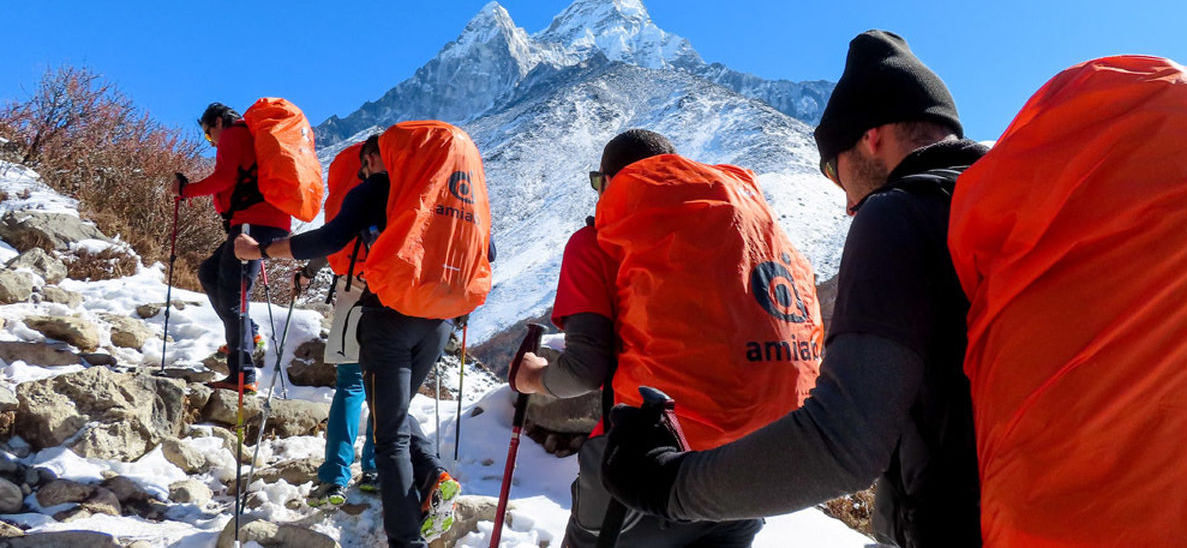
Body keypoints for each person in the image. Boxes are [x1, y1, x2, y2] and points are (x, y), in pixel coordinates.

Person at [599, 31, 988, 547]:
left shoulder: (901, 213)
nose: (846, 199)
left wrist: (666, 482)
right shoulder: (1006, 197)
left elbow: (843, 444)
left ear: (871, 138)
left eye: (833, 168)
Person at [515, 128, 822, 548]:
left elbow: (585, 371)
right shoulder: (741, 234)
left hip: (644, 467)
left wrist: (531, 378)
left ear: (608, 183)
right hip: (754, 465)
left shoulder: (596, 243)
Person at [235, 130, 491, 546]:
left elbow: (329, 238)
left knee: (388, 435)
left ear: (380, 156)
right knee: (394, 410)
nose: (364, 169)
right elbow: (488, 251)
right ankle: (432, 474)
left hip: (388, 315)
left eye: (367, 161)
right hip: (439, 320)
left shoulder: (379, 187)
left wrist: (259, 252)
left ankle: (407, 539)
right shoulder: (452, 194)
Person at [174, 102, 289, 393]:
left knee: (233, 295)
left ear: (217, 122)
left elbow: (223, 179)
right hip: (258, 222)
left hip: (253, 223)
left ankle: (243, 374)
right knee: (210, 272)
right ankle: (248, 334)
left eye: (208, 134)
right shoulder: (245, 136)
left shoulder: (234, 134)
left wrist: (186, 190)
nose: (211, 141)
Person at [294, 257, 378, 507]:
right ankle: (376, 470)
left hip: (354, 298)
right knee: (383, 391)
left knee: (350, 388)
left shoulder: (356, 215)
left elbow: (331, 238)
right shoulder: (413, 215)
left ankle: (334, 477)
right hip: (395, 305)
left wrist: (306, 273)